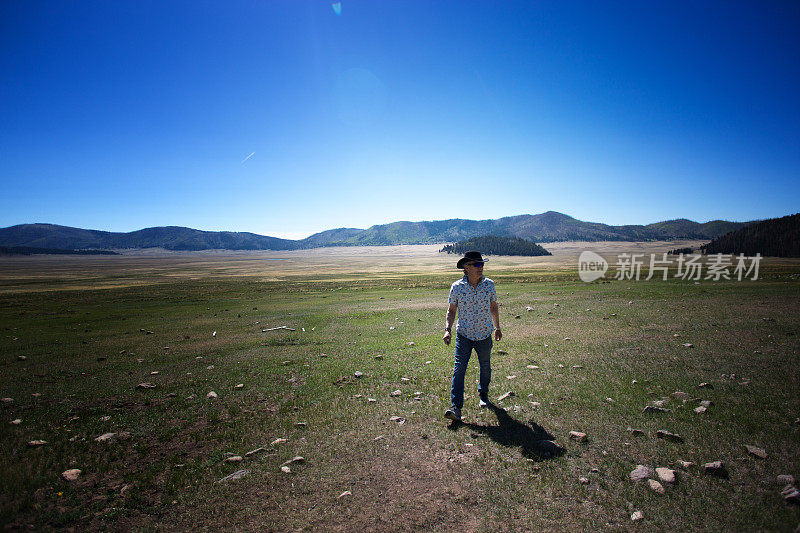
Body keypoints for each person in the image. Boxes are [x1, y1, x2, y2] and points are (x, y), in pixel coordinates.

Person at [443, 250, 502, 422]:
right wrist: (448, 329)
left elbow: (493, 307)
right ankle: (456, 408)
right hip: (464, 335)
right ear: (466, 267)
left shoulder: (489, 285)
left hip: (484, 334)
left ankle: (483, 393)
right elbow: (451, 310)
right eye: (476, 264)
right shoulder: (457, 287)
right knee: (459, 369)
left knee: (485, 366)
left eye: (482, 264)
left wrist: (497, 327)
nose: (480, 267)